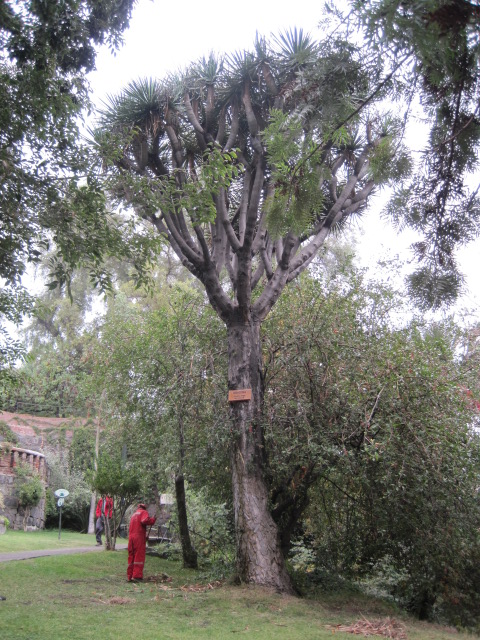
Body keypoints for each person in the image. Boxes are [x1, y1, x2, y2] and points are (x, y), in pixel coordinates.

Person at [127, 503, 156, 582]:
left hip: (131, 537)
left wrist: (145, 536)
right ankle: (137, 576)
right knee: (139, 556)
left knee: (131, 556)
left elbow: (137, 526)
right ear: (144, 508)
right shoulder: (143, 512)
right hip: (138, 538)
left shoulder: (134, 515)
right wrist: (152, 520)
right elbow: (144, 520)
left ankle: (130, 576)